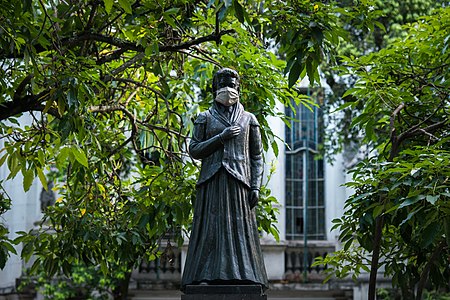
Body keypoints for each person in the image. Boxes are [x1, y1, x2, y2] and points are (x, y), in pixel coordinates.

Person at [181, 68, 268, 291]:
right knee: (210, 229)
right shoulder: (205, 117)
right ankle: (204, 274)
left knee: (240, 230)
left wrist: (256, 186)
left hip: (239, 183)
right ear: (214, 88)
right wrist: (221, 138)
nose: (228, 90)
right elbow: (194, 149)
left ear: (238, 88)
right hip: (212, 182)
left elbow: (257, 156)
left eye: (232, 85)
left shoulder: (249, 119)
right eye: (223, 85)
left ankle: (244, 274)